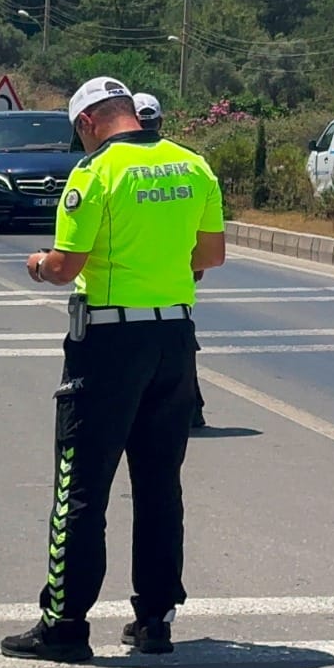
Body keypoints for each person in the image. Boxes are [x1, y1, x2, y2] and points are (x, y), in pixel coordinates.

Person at [1, 76, 225, 664]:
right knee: (158, 483)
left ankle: (65, 623)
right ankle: (155, 620)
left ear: (87, 123)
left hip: (107, 343)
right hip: (175, 340)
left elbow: (64, 264)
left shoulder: (94, 174)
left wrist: (37, 265)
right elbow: (210, 256)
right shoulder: (193, 165)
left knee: (81, 486)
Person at [134, 92, 207, 429]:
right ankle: (190, 406)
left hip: (127, 282)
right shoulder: (188, 162)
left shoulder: (113, 163)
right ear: (160, 123)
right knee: (178, 342)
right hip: (177, 276)